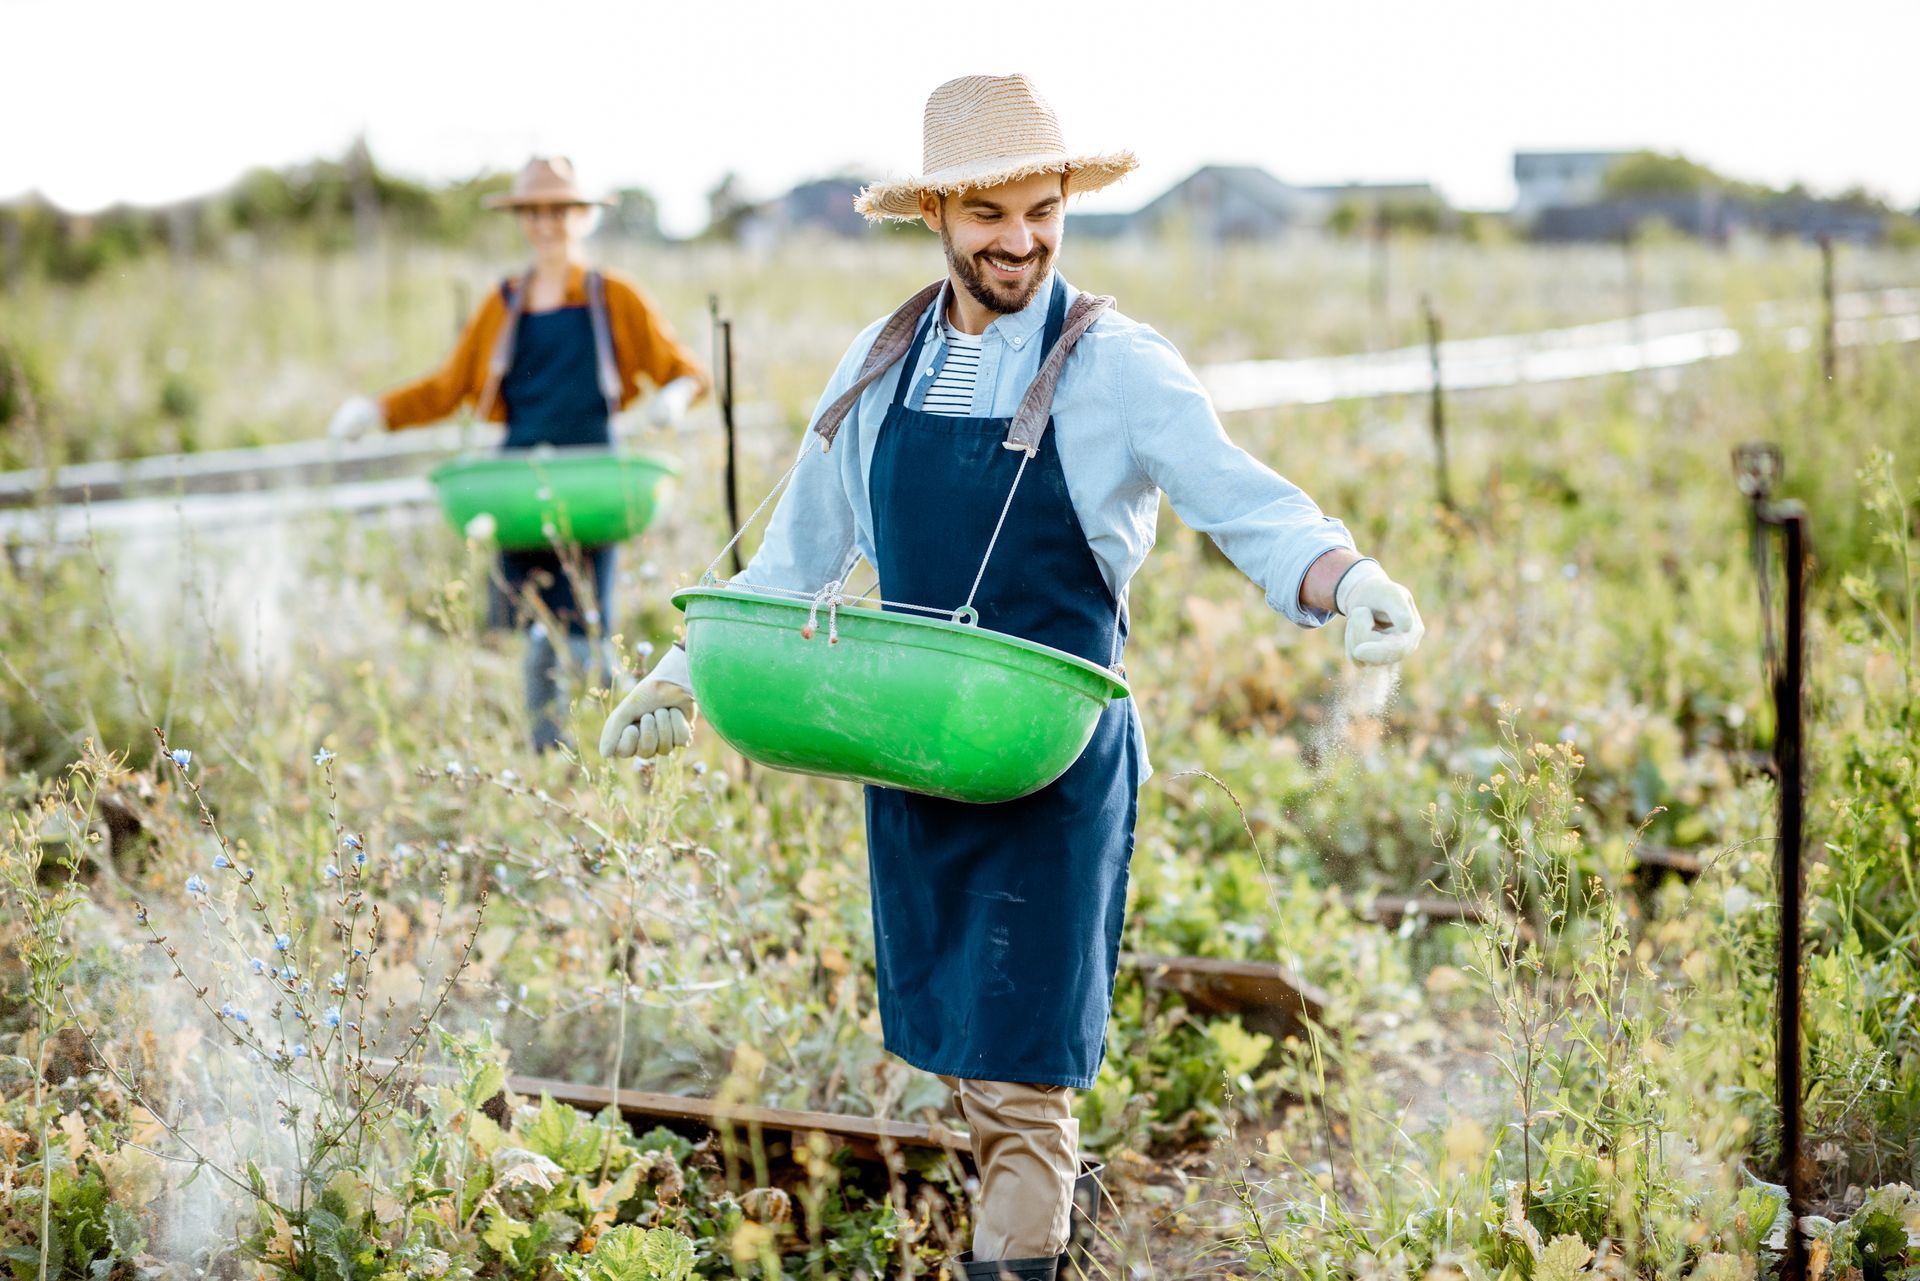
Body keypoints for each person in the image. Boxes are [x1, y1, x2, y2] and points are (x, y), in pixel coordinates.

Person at [601, 76, 1424, 1280]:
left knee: (1021, 1062)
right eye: (991, 215)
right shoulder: (882, 362)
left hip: (1046, 757)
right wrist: (683, 672)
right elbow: (796, 555)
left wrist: (1346, 580)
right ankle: (1054, 1199)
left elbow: (1242, 501)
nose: (1023, 240)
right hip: (916, 748)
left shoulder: (1118, 366)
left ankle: (1025, 1244)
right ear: (936, 214)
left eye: (1044, 209)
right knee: (963, 1039)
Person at [327, 156, 707, 751]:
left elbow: (685, 371)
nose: (546, 224)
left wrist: (677, 398)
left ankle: (626, 748)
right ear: (522, 220)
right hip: (516, 487)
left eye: (559, 211)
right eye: (534, 212)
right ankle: (547, 756)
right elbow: (449, 386)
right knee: (534, 633)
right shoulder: (505, 300)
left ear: (581, 217)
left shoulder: (613, 296)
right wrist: (378, 411)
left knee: (588, 630)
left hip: (591, 483)